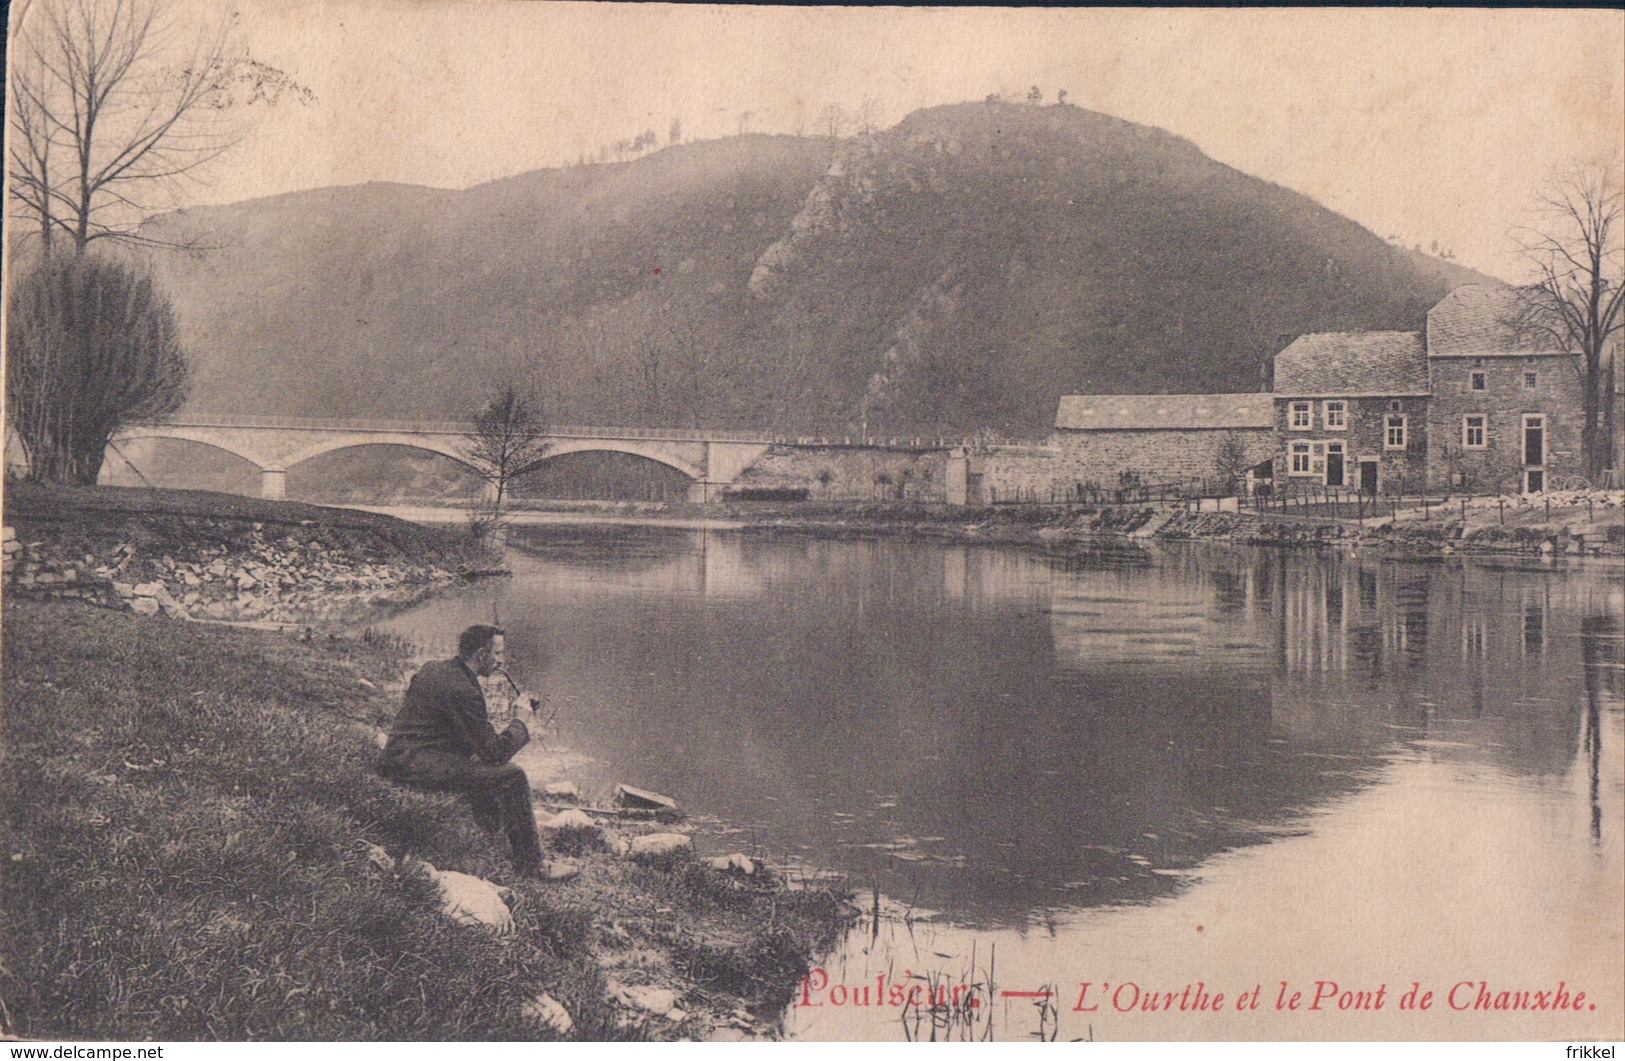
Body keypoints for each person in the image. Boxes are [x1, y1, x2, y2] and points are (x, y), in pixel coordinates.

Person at [378, 624, 550, 877]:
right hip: (413, 766)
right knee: (512, 775)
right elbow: (495, 754)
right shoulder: (465, 690)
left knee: (480, 765)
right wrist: (520, 721)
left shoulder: (433, 669)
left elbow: (459, 734)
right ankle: (532, 864)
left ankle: (493, 833)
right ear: (481, 655)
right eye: (498, 655)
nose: (501, 662)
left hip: (398, 757)